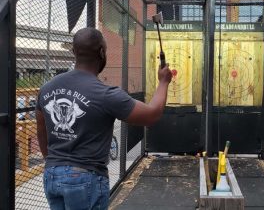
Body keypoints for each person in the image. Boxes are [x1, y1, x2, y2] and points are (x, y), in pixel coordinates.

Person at [36, 28, 172, 210]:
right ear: (102, 52)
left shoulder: (47, 88)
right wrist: (163, 82)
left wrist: (55, 163)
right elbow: (152, 114)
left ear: (74, 52)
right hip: (86, 178)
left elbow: (41, 131)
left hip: (52, 174)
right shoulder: (105, 94)